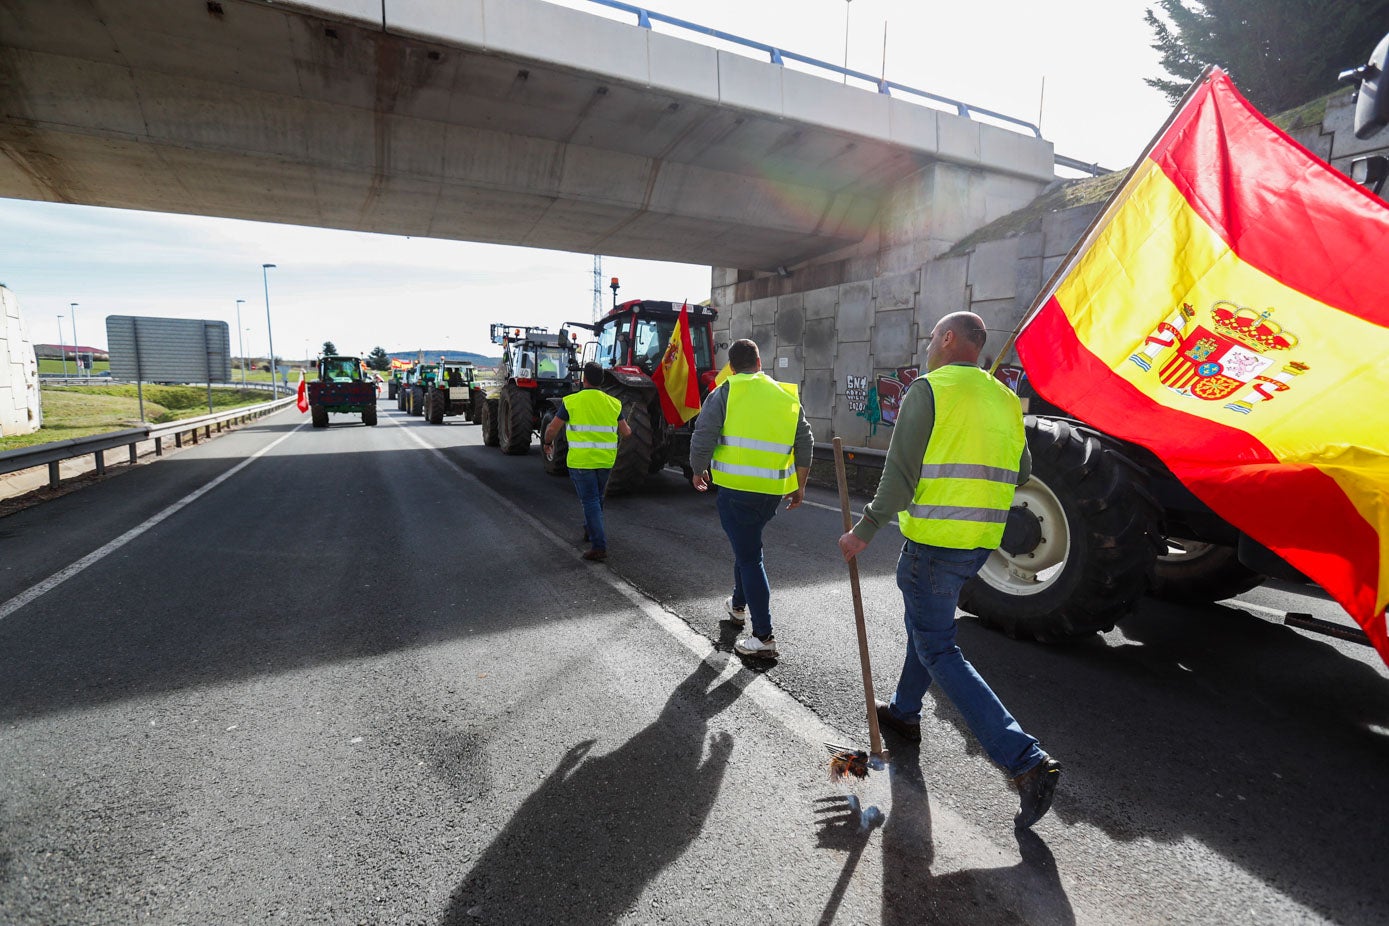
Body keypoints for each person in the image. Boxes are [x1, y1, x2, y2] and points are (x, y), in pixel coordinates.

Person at [836, 311, 1061, 829]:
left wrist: (863, 531)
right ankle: (904, 711)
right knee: (930, 631)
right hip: (979, 544)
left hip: (934, 544)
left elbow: (899, 473)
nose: (929, 346)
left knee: (938, 646)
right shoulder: (1005, 398)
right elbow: (1023, 470)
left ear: (949, 339)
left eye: (933, 337)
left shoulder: (928, 390)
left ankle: (1026, 762)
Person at [689, 339, 813, 659]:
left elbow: (704, 433)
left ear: (731, 366)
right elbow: (805, 441)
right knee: (747, 546)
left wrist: (697, 470)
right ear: (760, 362)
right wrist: (800, 485)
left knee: (749, 558)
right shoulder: (784, 395)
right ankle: (738, 605)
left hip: (735, 490)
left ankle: (763, 637)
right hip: (770, 493)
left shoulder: (725, 392)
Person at [543, 362, 632, 562]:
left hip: (581, 462)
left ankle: (599, 545)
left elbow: (551, 429)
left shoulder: (571, 401)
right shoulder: (613, 403)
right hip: (605, 461)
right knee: (597, 498)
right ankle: (589, 529)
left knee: (590, 500)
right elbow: (626, 432)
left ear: (584, 379)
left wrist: (547, 443)